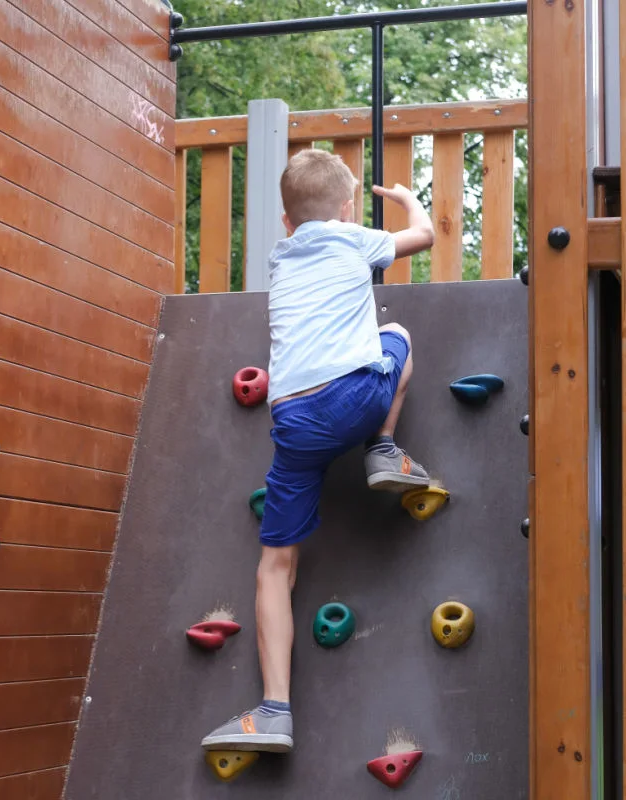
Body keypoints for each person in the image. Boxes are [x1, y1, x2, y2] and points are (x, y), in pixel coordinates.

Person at [199, 149, 436, 753]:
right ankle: (383, 448)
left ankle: (274, 709)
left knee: (274, 568)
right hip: (356, 397)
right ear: (347, 209)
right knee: (398, 336)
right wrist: (407, 201)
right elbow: (424, 236)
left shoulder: (281, 258)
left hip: (293, 420)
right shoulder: (352, 238)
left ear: (285, 222)